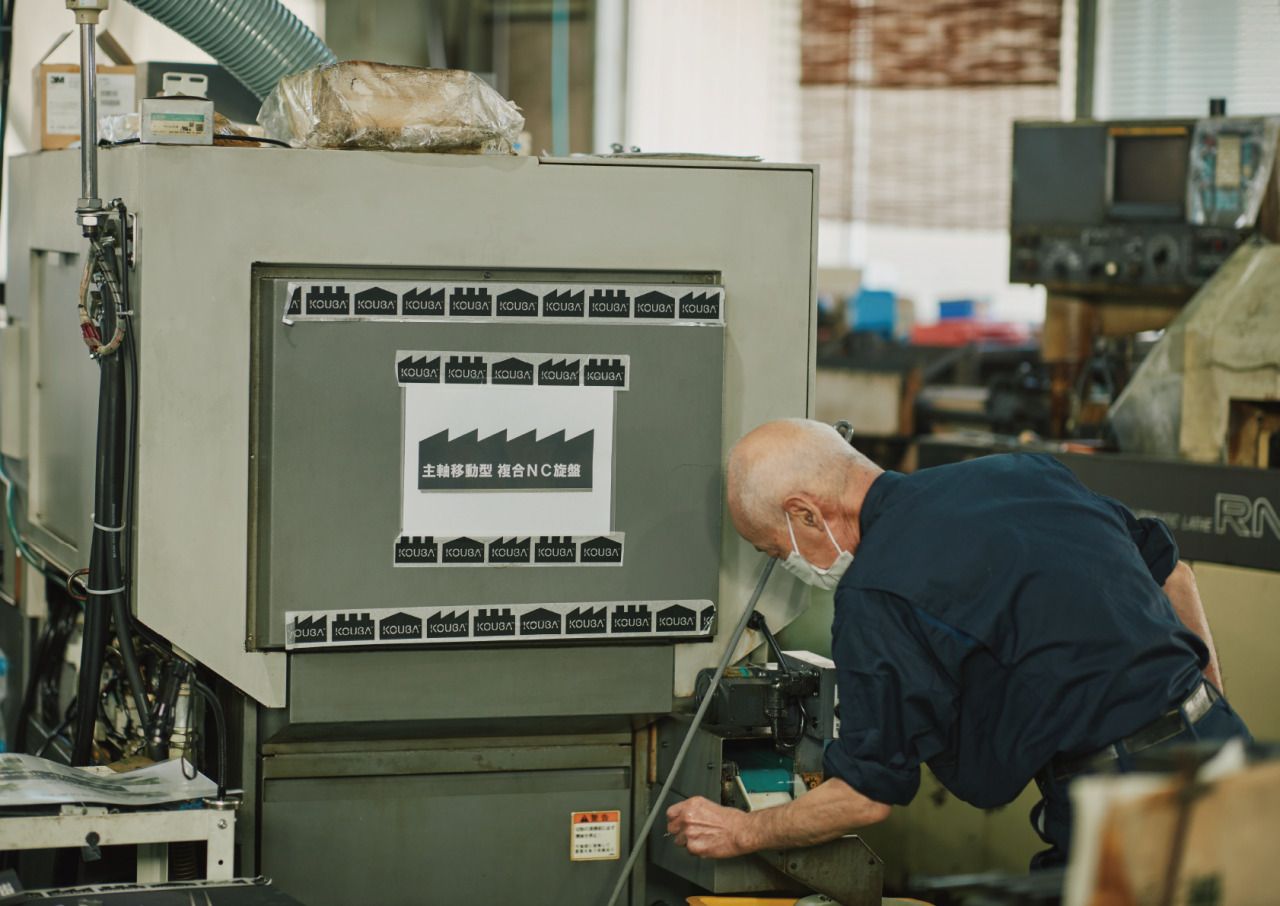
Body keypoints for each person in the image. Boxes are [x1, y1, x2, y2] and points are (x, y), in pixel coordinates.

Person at [666, 418, 1250, 867]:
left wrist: (739, 830)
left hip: (1131, 806)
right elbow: (1173, 571)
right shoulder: (1019, 473)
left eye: (775, 549)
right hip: (1226, 751)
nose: (786, 562)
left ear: (805, 514)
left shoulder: (875, 596)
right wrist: (1203, 699)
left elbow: (866, 795)